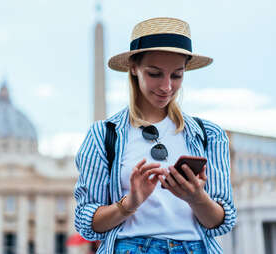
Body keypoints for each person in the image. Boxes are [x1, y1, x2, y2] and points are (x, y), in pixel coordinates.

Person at [74, 17, 236, 254]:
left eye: (177, 75)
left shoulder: (210, 135)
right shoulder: (102, 135)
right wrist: (130, 203)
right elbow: (87, 224)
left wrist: (196, 197)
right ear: (134, 68)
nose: (167, 87)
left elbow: (221, 223)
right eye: (155, 73)